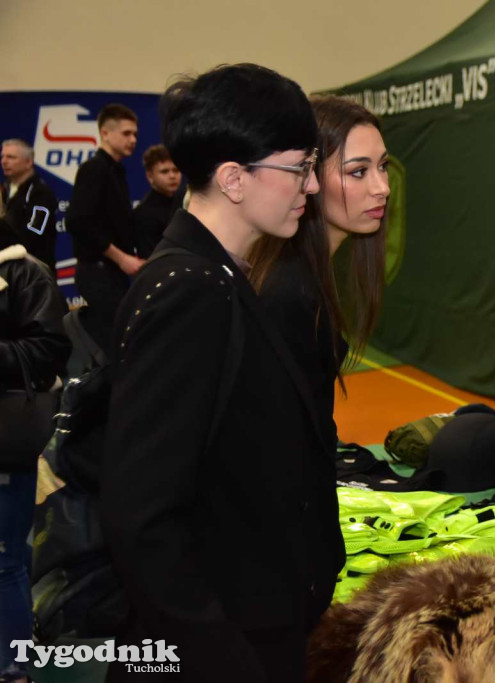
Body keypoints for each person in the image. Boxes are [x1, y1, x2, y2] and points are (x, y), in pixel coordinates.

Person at [100, 64, 344, 681]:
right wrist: (221, 657)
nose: (312, 186)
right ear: (234, 179)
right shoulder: (190, 291)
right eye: (298, 168)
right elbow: (142, 517)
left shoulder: (217, 274)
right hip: (220, 641)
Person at [248, 95, 389, 452]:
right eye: (358, 172)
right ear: (307, 178)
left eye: (383, 167)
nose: (382, 188)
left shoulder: (303, 275)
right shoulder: (287, 291)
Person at [0, 220, 70, 683]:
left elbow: (49, 349)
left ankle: (14, 666)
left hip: (5, 439)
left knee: (4, 559)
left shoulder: (24, 271)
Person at [65, 104, 142, 351]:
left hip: (111, 274)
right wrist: (122, 259)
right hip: (98, 273)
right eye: (126, 133)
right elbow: (77, 220)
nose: (133, 139)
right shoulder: (94, 169)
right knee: (117, 348)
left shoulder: (115, 171)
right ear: (105, 133)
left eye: (135, 134)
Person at [1, 138, 59, 271]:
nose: (4, 161)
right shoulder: (4, 190)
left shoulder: (41, 193)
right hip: (6, 269)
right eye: (2, 156)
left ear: (28, 162)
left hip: (33, 272)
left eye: (11, 157)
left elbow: (35, 232)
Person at [132, 144, 182, 258]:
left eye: (176, 170)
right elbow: (149, 257)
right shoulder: (144, 213)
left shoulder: (187, 201)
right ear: (150, 176)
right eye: (164, 172)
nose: (172, 176)